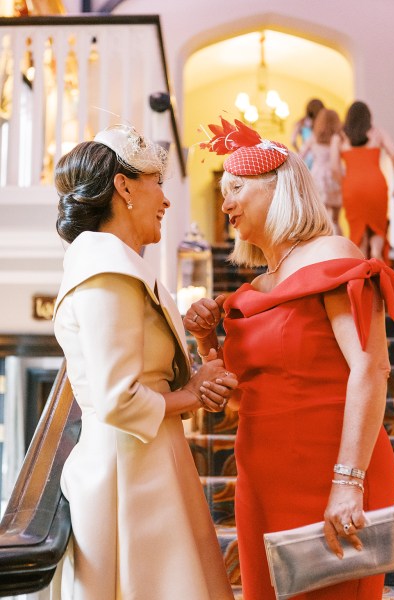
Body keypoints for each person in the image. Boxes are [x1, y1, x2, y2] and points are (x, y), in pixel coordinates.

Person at [185, 116, 394, 600]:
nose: (226, 203)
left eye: (236, 186)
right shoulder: (255, 287)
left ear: (277, 187)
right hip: (261, 477)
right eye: (223, 191)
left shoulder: (332, 254)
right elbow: (242, 397)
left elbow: (372, 367)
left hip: (334, 469)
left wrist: (348, 482)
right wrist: (205, 345)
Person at [52, 124, 237, 600]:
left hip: (150, 456)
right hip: (128, 475)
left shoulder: (118, 264)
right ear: (124, 186)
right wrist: (191, 394)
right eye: (158, 182)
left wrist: (197, 365)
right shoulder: (105, 268)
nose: (167, 200)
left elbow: (145, 374)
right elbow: (117, 399)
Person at [331, 100, 394, 262]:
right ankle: (376, 255)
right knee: (378, 229)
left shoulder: (339, 137)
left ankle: (362, 273)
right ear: (368, 117)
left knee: (358, 233)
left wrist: (344, 184)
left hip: (352, 186)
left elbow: (334, 168)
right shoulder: (378, 133)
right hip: (376, 184)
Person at [299, 108, 343, 234]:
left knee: (322, 216)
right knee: (335, 218)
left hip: (317, 175)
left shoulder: (313, 138)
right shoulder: (337, 138)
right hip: (334, 176)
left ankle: (326, 241)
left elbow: (300, 156)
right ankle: (338, 242)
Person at [290, 97, 324, 169]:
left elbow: (292, 140)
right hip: (319, 155)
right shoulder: (322, 123)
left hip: (305, 155)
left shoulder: (302, 122)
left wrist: (299, 150)